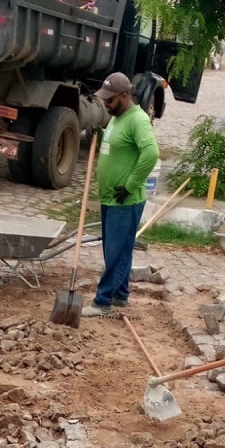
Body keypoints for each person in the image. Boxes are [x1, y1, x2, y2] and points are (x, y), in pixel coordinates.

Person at [81, 72, 159, 317]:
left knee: (115, 252)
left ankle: (102, 301)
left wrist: (130, 184)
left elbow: (151, 153)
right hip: (110, 198)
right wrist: (100, 135)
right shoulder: (117, 116)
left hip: (124, 199)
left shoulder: (138, 119)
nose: (105, 103)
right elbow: (119, 146)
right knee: (118, 248)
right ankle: (120, 295)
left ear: (125, 96)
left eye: (110, 99)